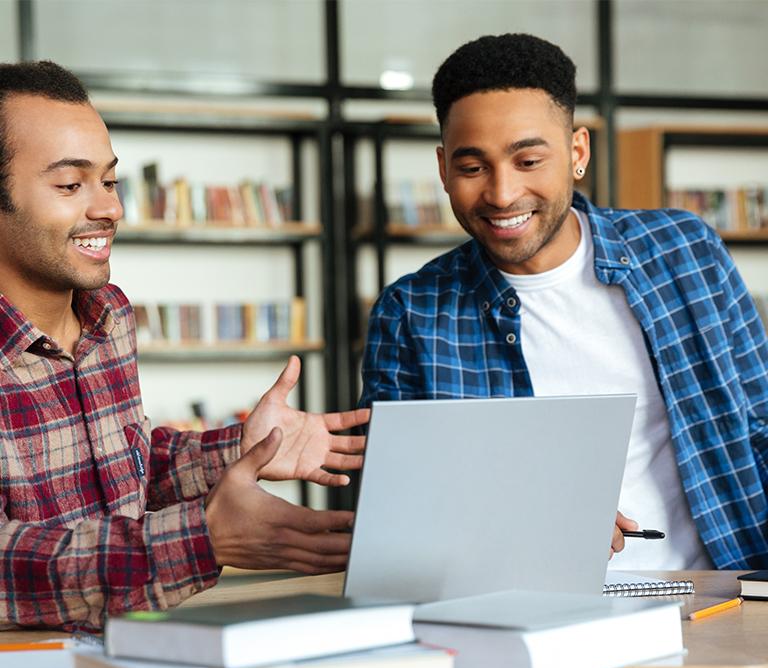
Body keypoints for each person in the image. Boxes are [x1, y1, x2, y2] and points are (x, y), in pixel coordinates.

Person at [360, 33, 768, 571]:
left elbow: (760, 424)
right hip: (524, 616)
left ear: (577, 152)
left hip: (719, 603)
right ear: (443, 169)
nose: (502, 194)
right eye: (472, 167)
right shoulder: (410, 314)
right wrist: (533, 519)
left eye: (528, 160)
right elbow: (397, 515)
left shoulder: (686, 252)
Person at [0, 60, 369, 632]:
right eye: (71, 185)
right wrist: (205, 536)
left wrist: (246, 448)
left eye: (109, 180)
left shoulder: (110, 315)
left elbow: (126, 470)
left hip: (125, 650)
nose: (109, 208)